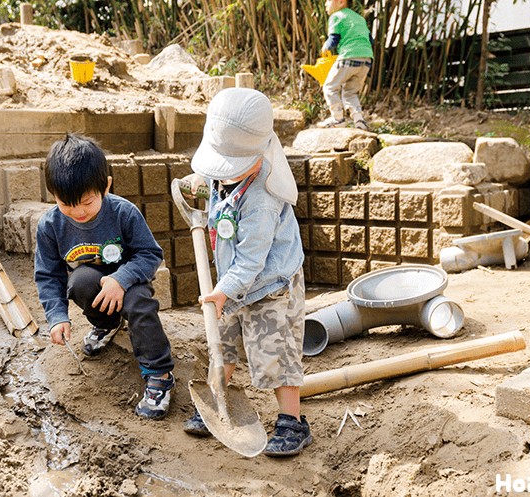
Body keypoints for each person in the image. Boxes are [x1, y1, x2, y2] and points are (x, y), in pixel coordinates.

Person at [180, 88, 311, 457]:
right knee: (222, 343)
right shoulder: (230, 173)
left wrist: (223, 291)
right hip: (233, 283)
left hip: (270, 287)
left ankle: (292, 422)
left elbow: (253, 261)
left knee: (275, 354)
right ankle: (216, 401)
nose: (224, 174)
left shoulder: (263, 200)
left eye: (229, 167)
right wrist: (202, 182)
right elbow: (215, 178)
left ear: (259, 154)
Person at [34, 133, 175, 420]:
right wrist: (57, 316)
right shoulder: (50, 226)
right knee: (79, 282)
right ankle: (107, 324)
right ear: (53, 195)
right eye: (66, 204)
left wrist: (121, 279)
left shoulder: (124, 213)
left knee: (138, 303)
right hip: (94, 280)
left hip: (130, 279)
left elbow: (150, 254)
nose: (78, 212)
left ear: (105, 186)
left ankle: (160, 373)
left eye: (87, 202)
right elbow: (49, 275)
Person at [317, 0, 374, 130]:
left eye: (328, 0)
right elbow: (370, 39)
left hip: (349, 57)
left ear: (341, 2)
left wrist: (324, 48)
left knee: (329, 87)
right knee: (351, 91)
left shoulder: (336, 16)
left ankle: (338, 119)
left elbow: (333, 41)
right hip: (366, 59)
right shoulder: (359, 18)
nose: (325, 4)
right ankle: (359, 120)